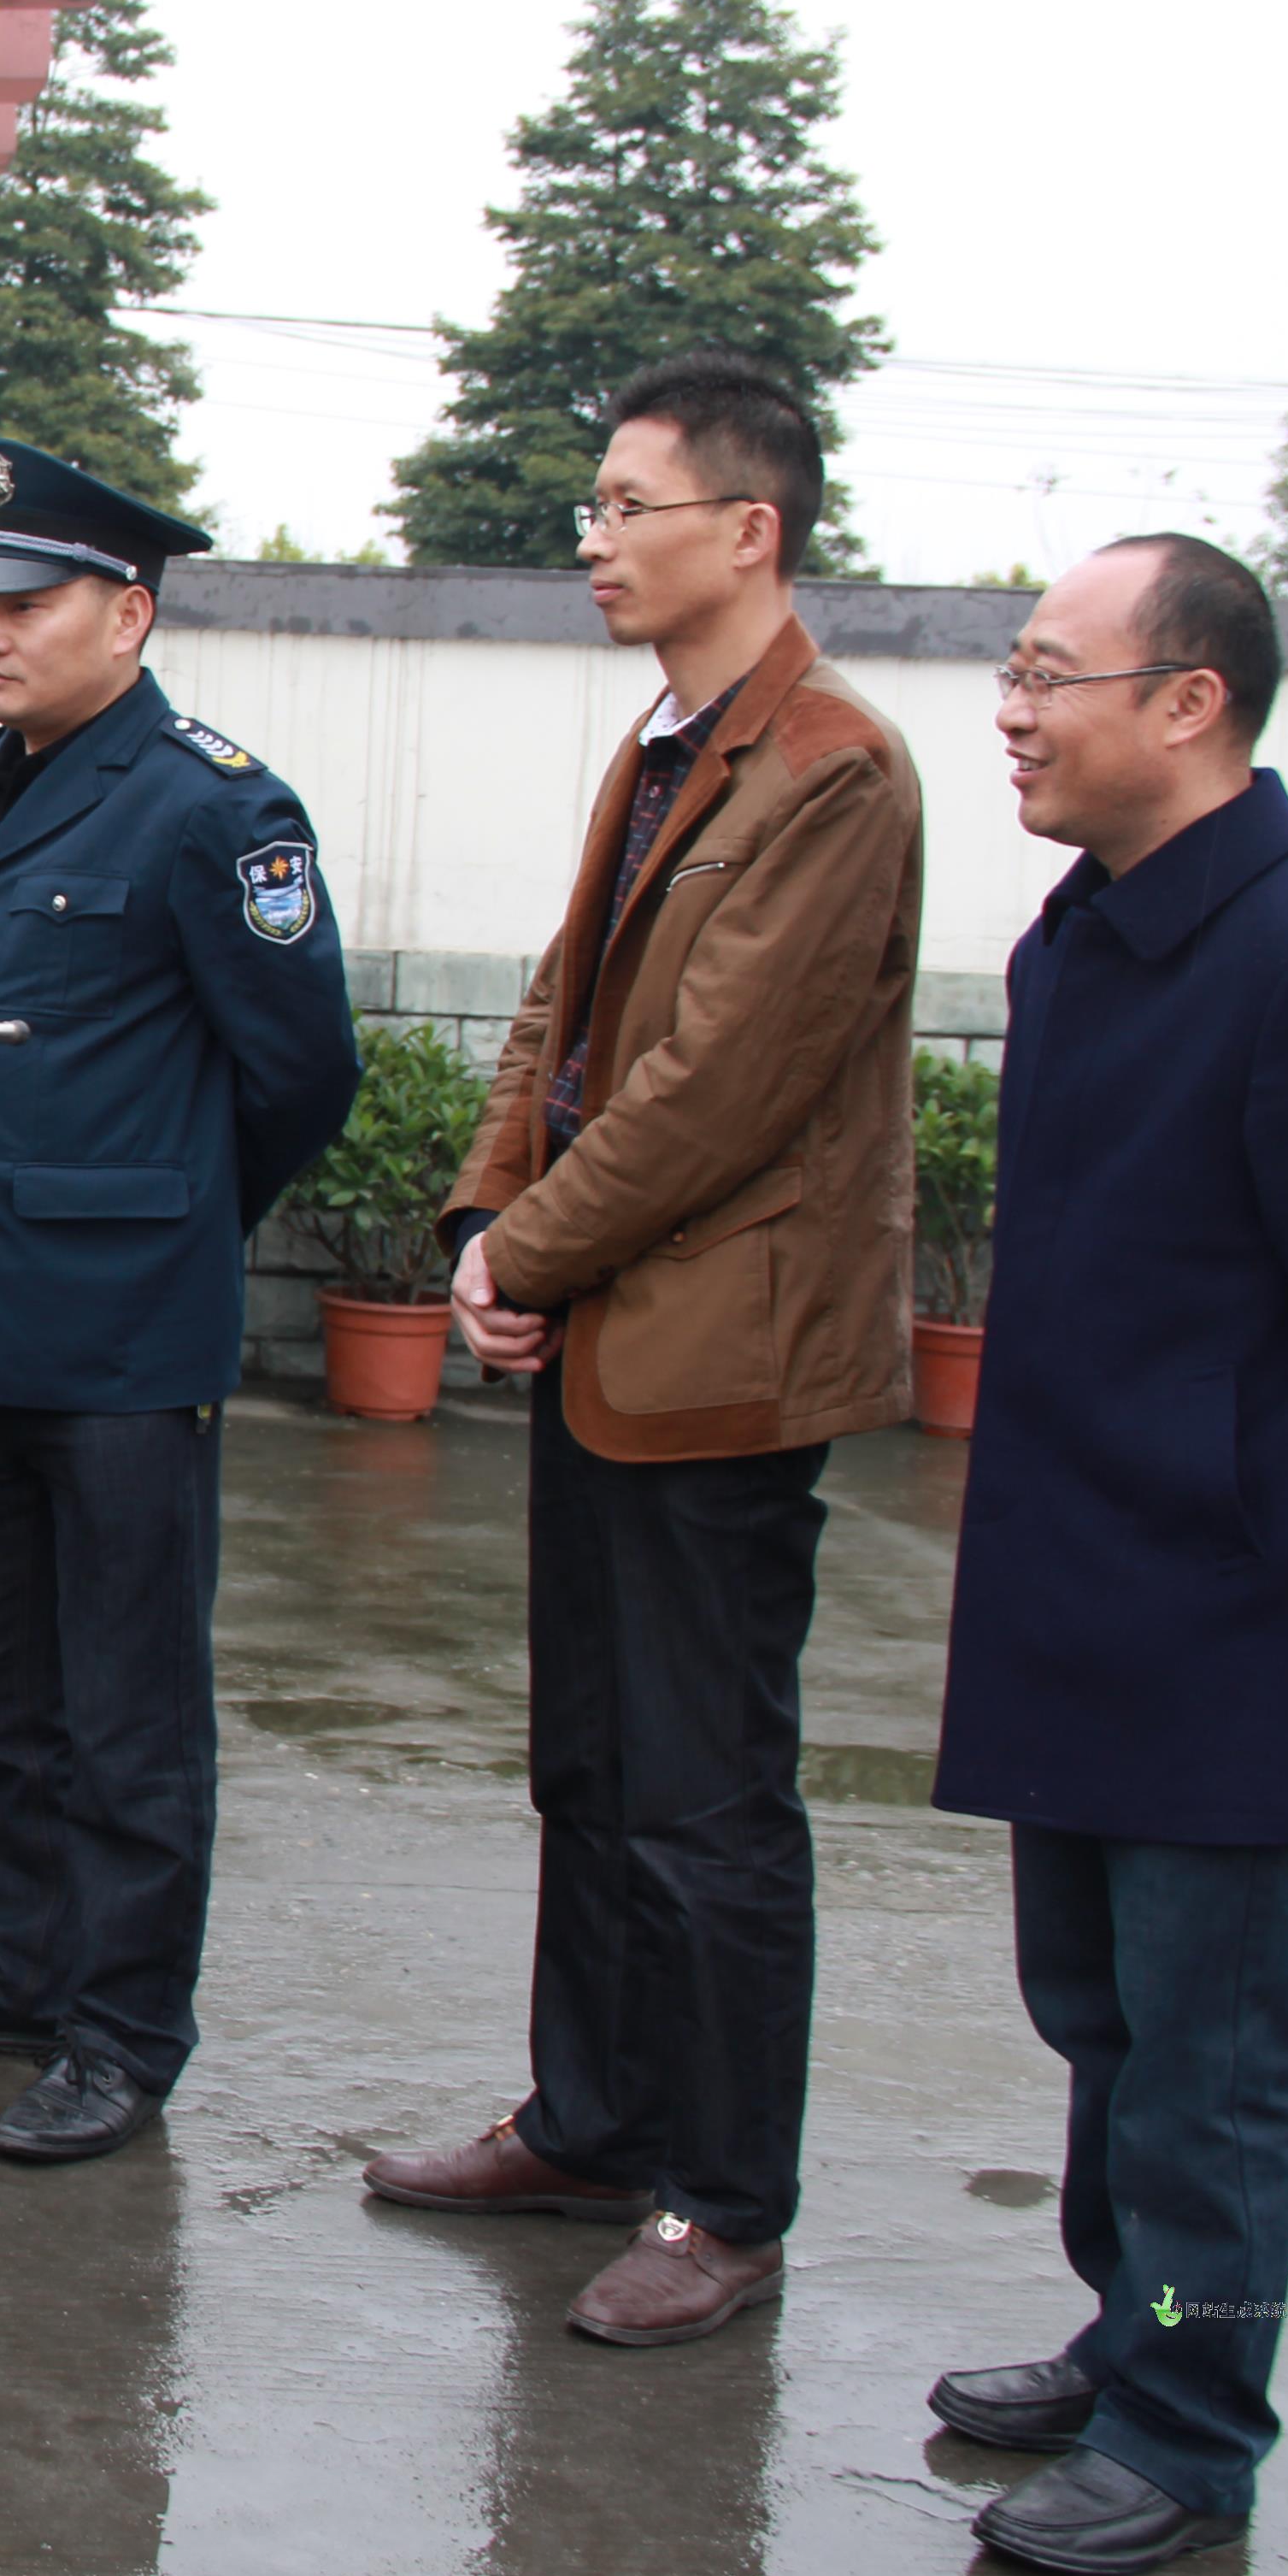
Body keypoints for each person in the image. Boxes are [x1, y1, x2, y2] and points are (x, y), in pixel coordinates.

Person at [926, 536, 1288, 2576]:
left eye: (1050, 673)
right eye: (1013, 671)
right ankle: (1130, 2335)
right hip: (1076, 1570)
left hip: (1228, 1595)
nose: (1014, 712)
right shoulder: (1084, 937)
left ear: (1189, 703)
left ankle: (1190, 2426)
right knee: (1099, 2013)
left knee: (1214, 2058)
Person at [363, 348, 923, 2345]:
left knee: (706, 1799)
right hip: (608, 1338)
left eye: (629, 505)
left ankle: (723, 2201)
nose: (594, 539)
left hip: (721, 1372)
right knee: (592, 1769)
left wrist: (534, 1243)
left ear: (749, 530)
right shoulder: (671, 743)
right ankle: (590, 2124)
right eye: (593, 507)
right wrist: (479, 1226)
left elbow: (718, 1087)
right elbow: (564, 1017)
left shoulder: (836, 769)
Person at [0, 438, 359, 2166]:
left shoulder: (212, 807)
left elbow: (300, 1072)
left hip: (124, 1334)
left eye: (28, 604)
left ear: (128, 615)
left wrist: (169, 1218)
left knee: (129, 1710)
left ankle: (124, 2029)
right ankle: (14, 1960)